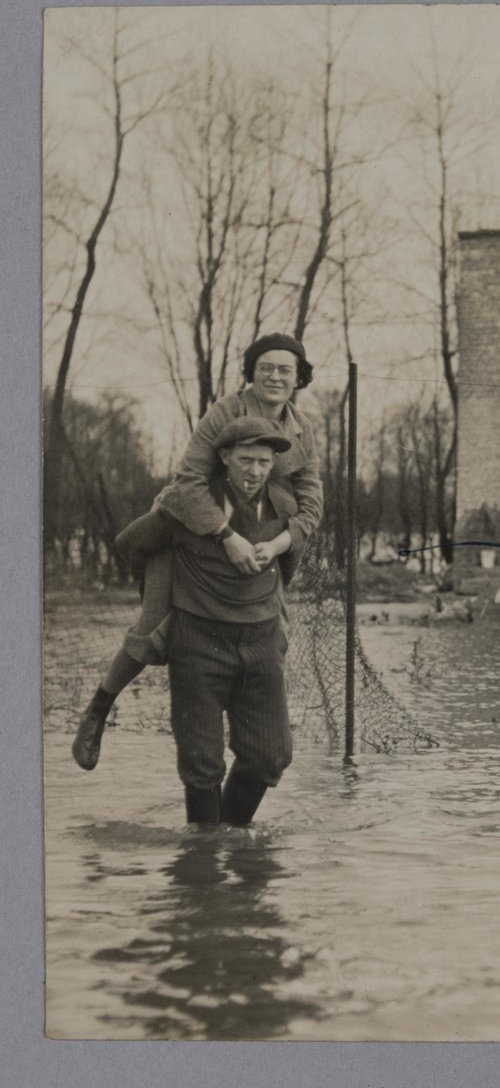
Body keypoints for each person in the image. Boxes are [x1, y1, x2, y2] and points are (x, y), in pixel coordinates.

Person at [71, 333, 322, 772]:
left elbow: (312, 503)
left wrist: (280, 542)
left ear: (299, 377)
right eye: (266, 368)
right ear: (251, 372)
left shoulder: (300, 430)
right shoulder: (225, 412)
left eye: (286, 369)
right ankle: (99, 707)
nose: (276, 377)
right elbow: (188, 481)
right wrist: (226, 535)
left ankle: (251, 738)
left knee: (273, 631)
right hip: (191, 523)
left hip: (261, 531)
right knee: (153, 630)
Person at [136, 416, 299, 826]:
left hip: (260, 645)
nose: (255, 471)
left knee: (271, 756)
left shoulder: (284, 507)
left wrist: (264, 612)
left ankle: (229, 834)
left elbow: (289, 567)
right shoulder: (187, 502)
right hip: (198, 641)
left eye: (264, 462)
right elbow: (132, 545)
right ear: (225, 456)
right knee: (201, 761)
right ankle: (204, 863)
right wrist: (166, 598)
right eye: (246, 459)